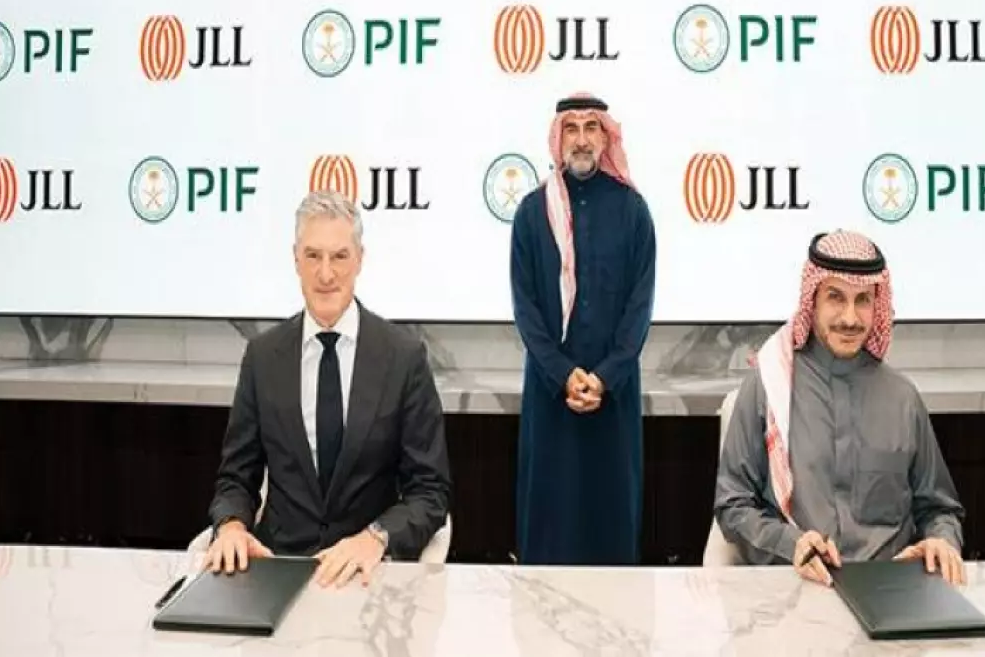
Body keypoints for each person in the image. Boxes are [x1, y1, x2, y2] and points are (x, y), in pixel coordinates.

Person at [205, 189, 451, 587]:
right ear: (295, 260)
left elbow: (430, 491)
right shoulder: (262, 357)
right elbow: (236, 478)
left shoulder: (404, 358)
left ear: (359, 259)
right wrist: (231, 525)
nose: (325, 274)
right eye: (313, 256)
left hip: (367, 574)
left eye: (339, 256)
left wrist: (375, 538)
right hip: (277, 569)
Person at [714, 230, 966, 586]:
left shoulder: (902, 398)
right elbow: (733, 505)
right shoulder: (769, 385)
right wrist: (791, 544)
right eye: (835, 297)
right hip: (794, 588)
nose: (850, 318)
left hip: (889, 589)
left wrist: (942, 539)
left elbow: (939, 508)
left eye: (863, 300)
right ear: (812, 300)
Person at [510, 92, 657, 565]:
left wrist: (605, 377)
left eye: (591, 127)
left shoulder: (634, 211)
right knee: (549, 532)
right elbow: (526, 311)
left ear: (606, 137)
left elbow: (639, 309)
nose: (580, 139)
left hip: (613, 398)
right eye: (570, 128)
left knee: (611, 531)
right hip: (550, 398)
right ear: (558, 138)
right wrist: (563, 374)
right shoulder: (531, 213)